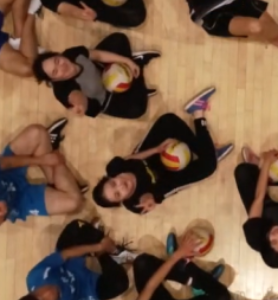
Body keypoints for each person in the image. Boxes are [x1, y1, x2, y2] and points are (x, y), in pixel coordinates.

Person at [92, 89, 233, 214]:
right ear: (121, 201)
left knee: (168, 121)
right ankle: (198, 113)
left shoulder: (114, 167)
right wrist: (149, 198)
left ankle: (207, 151)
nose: (120, 186)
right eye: (118, 194)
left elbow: (132, 157)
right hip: (166, 178)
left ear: (111, 177)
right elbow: (147, 198)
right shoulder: (135, 205)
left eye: (113, 183)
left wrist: (157, 149)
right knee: (209, 167)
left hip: (152, 156)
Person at [0, 121, 83, 228]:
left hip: (9, 172)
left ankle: (57, 180)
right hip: (20, 200)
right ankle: (55, 158)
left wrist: (41, 160)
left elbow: (8, 162)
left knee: (38, 133)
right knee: (74, 202)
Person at [33, 35, 159, 119]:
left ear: (59, 55)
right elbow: (75, 96)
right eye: (55, 72)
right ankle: (136, 74)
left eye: (57, 61)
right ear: (54, 80)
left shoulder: (71, 53)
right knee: (137, 110)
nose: (62, 66)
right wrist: (80, 103)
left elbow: (98, 55)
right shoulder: (62, 91)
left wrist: (127, 61)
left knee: (119, 39)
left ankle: (133, 71)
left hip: (103, 70)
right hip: (108, 98)